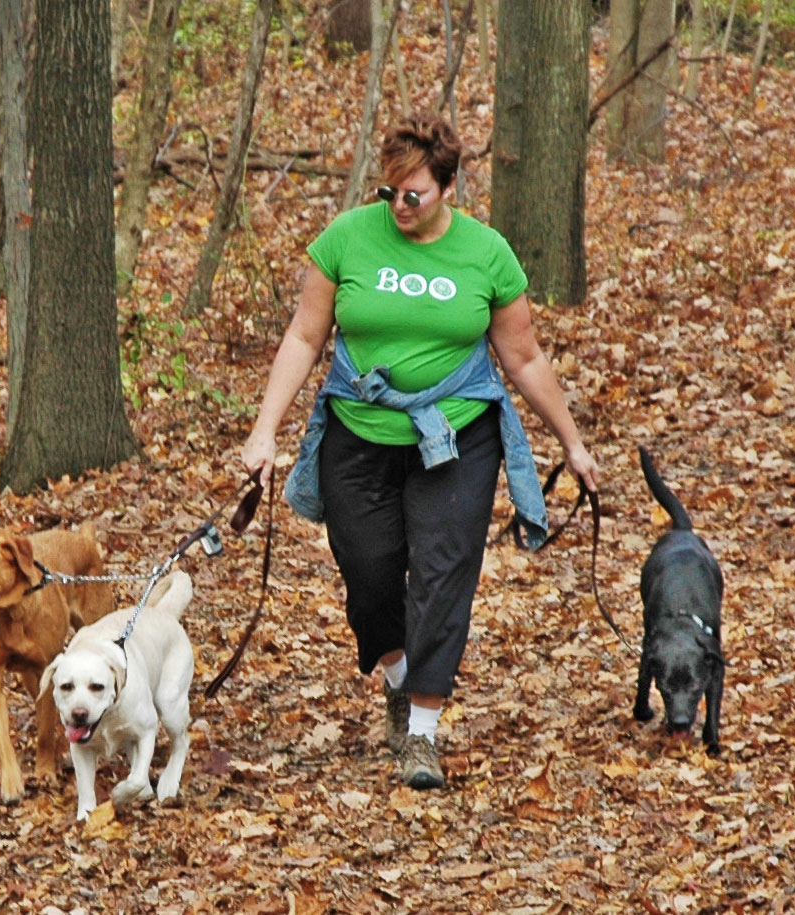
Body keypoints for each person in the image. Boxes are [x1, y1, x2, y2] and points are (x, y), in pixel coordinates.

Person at [241, 117, 600, 790]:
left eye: (415, 194)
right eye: (391, 192)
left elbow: (522, 356)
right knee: (370, 576)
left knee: (444, 572)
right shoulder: (347, 238)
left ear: (448, 186)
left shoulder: (486, 253)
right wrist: (266, 431)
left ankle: (422, 737)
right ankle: (402, 680)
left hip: (456, 437)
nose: (399, 206)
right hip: (358, 431)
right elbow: (303, 336)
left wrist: (572, 443)